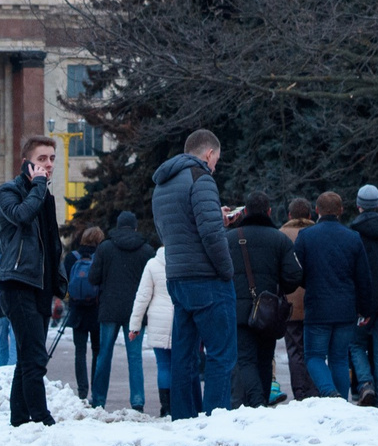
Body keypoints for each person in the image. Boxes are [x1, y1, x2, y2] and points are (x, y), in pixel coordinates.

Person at [150, 128, 237, 420]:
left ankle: (184, 419)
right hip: (207, 279)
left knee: (184, 358)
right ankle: (216, 419)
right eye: (216, 160)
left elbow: (167, 230)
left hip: (177, 277)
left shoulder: (162, 185)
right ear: (209, 153)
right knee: (221, 354)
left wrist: (213, 213)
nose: (215, 166)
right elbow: (211, 235)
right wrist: (227, 271)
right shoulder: (201, 179)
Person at [0, 134, 68, 426]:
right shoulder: (9, 191)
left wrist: (58, 284)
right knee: (36, 357)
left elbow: (50, 244)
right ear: (27, 163)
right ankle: (41, 419)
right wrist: (37, 185)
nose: (48, 165)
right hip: (17, 283)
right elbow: (22, 216)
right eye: (41, 159)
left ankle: (19, 420)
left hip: (40, 288)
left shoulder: (45, 196)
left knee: (27, 358)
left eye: (51, 159)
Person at [294, 191, 376, 399]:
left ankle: (329, 392)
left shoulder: (306, 236)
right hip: (345, 308)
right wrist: (365, 309)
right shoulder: (353, 238)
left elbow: (297, 273)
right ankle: (341, 401)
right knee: (339, 358)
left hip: (317, 306)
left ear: (317, 210)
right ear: (341, 210)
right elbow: (363, 278)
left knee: (314, 356)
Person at [226, 193, 302, 408]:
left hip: (239, 309)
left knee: (245, 359)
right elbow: (294, 275)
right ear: (269, 212)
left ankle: (256, 402)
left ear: (246, 212)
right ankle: (260, 402)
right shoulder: (279, 239)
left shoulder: (230, 239)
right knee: (265, 359)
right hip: (268, 312)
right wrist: (279, 288)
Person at [89, 210, 152, 411]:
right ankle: (137, 400)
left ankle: (98, 399)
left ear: (117, 226)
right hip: (136, 311)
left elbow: (93, 278)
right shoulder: (146, 250)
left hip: (109, 308)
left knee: (104, 355)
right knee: (135, 358)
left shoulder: (105, 248)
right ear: (135, 227)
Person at [346, 184, 378, 407]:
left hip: (361, 299)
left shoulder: (352, 232)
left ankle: (365, 383)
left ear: (358, 206)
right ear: (377, 205)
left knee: (357, 344)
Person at [125, 245, 177, 415]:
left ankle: (166, 408)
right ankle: (181, 404)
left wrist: (134, 325)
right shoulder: (183, 260)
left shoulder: (152, 264)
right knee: (181, 365)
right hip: (180, 318)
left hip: (157, 319)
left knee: (163, 365)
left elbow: (143, 296)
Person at [279, 197, 316, 400]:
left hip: (290, 302)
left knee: (294, 349)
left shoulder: (281, 235)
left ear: (290, 215)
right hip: (313, 301)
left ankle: (300, 391)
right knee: (313, 348)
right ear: (310, 215)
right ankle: (313, 389)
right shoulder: (315, 233)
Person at [65, 226, 105, 397]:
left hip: (77, 310)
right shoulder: (101, 257)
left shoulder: (71, 258)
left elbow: (67, 281)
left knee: (79, 352)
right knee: (97, 350)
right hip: (96, 309)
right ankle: (96, 390)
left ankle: (82, 391)